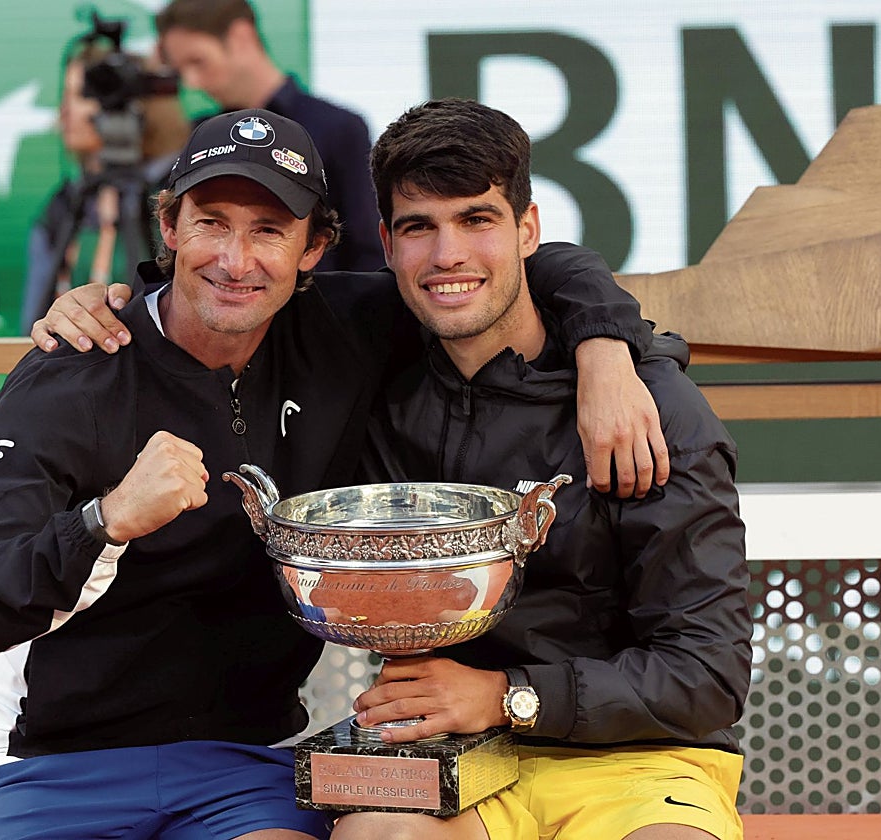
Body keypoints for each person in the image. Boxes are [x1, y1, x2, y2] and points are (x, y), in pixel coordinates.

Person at [0, 108, 661, 840]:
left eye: (269, 230)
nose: (236, 261)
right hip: (47, 765)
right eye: (211, 223)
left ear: (316, 248)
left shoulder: (348, 326)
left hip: (244, 764)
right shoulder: (78, 369)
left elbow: (517, 268)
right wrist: (104, 522)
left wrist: (603, 347)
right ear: (169, 228)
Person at [328, 100, 751, 840]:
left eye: (476, 220)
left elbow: (707, 677)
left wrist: (506, 695)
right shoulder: (371, 365)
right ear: (388, 243)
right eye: (418, 227)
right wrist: (92, 309)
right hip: (452, 758)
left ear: (527, 229)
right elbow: (223, 299)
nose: (446, 254)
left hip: (638, 763)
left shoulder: (650, 411)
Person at [155, 0, 384, 274]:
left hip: (320, 308)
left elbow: (366, 249)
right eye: (181, 71)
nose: (191, 82)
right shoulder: (198, 134)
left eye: (198, 61)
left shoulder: (338, 126)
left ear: (240, 37)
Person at [19, 39, 189, 332]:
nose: (64, 111)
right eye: (66, 95)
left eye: (83, 94)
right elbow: (33, 323)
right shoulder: (65, 204)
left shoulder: (172, 193)